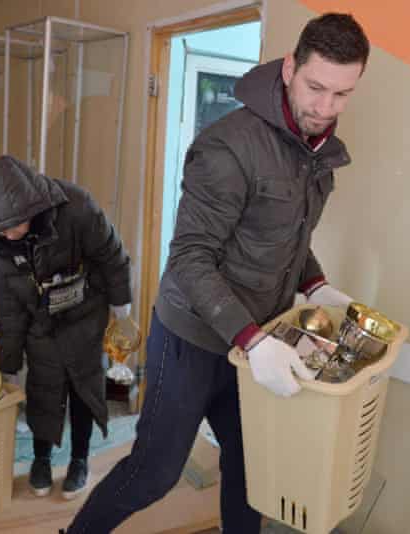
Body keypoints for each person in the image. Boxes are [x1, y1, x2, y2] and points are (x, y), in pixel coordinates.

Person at [64, 13, 369, 533]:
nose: (325, 108)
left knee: (251, 467)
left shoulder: (314, 152)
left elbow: (285, 233)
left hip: (257, 343)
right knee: (153, 473)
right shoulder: (229, 146)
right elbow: (189, 258)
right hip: (193, 337)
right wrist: (251, 339)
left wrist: (315, 284)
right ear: (291, 67)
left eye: (342, 95)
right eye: (316, 87)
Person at [0, 155, 132, 500]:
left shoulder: (76, 206)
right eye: (1, 229)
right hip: (38, 320)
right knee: (43, 387)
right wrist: (6, 368)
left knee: (84, 388)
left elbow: (111, 255)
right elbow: (7, 309)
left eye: (15, 223)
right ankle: (41, 460)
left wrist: (122, 307)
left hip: (85, 312)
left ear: (32, 204)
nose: (9, 233)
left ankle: (79, 460)